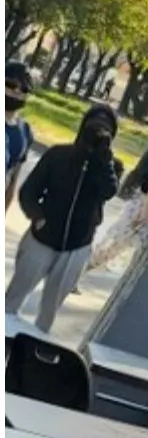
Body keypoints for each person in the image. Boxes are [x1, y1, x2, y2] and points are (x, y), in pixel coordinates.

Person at [6, 105, 123, 331]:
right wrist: (37, 216)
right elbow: (29, 191)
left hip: (77, 246)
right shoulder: (58, 155)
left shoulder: (112, 166)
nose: (97, 134)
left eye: (104, 130)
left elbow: (108, 191)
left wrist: (103, 160)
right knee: (12, 300)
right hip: (41, 238)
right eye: (93, 128)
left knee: (48, 314)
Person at [5, 61, 36, 208]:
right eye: (10, 84)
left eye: (24, 89)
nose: (16, 91)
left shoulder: (25, 131)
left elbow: (12, 179)